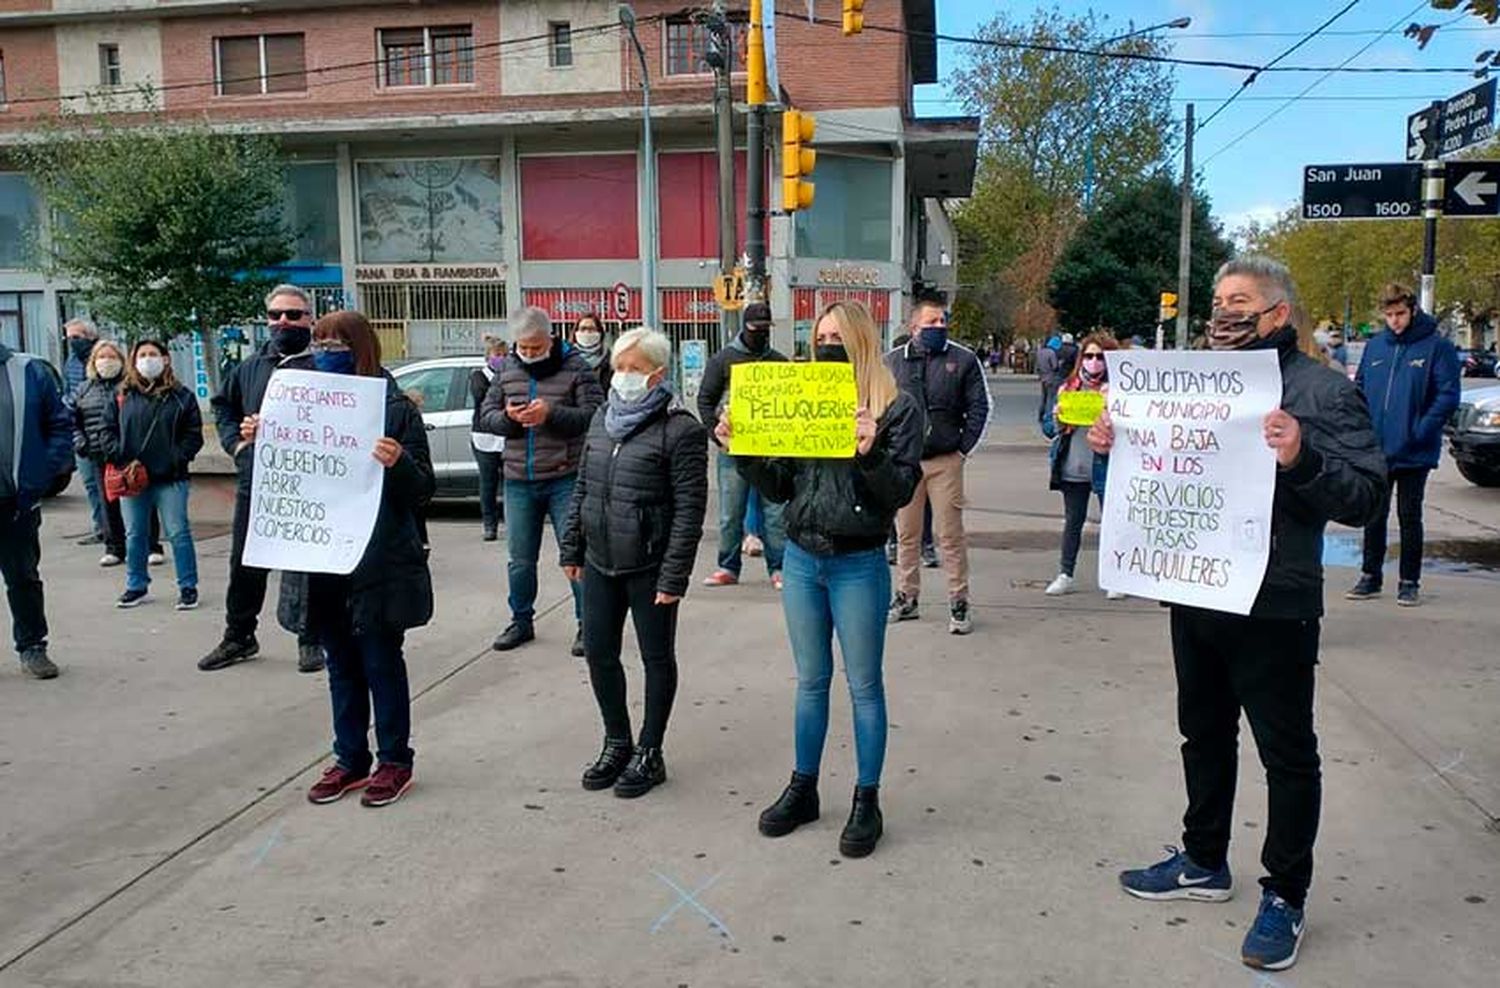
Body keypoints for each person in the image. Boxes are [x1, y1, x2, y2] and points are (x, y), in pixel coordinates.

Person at [1097, 257, 1385, 972]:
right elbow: (1164, 464)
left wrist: (1301, 455)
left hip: (1274, 602)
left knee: (1287, 755)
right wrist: (1116, 440)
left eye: (1241, 302)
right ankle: (1203, 858)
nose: (1225, 313)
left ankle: (1285, 892)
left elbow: (1366, 497)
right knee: (1203, 733)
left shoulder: (1320, 391)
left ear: (1278, 315)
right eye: (1220, 301)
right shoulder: (1188, 383)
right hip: (1196, 590)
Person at [721, 300, 922, 859]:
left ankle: (866, 800)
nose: (826, 343)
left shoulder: (896, 408)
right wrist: (745, 449)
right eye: (819, 335)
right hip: (804, 559)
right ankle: (803, 787)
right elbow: (782, 484)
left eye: (836, 335)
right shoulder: (803, 399)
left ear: (858, 340)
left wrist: (867, 452)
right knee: (810, 682)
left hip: (858, 561)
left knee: (863, 686)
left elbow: (899, 493)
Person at [261, 311, 434, 808]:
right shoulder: (299, 405)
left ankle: (395, 760)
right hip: (321, 560)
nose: (325, 351)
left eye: (337, 343)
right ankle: (350, 758)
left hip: (377, 562)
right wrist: (260, 439)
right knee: (340, 666)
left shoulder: (396, 409)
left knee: (381, 663)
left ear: (360, 348)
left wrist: (397, 461)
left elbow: (423, 489)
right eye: (319, 342)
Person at [560, 327, 707, 798]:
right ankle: (617, 741)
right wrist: (572, 546)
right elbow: (585, 485)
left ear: (657, 375)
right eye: (618, 367)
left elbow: (689, 509)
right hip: (601, 561)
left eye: (633, 369)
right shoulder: (603, 417)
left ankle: (650, 750)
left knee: (656, 658)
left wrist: (675, 575)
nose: (622, 376)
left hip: (650, 567)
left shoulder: (680, 429)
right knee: (600, 654)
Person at [201, 285, 324, 673]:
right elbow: (222, 406)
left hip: (310, 485)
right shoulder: (252, 366)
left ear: (310, 320)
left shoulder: (325, 365)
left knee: (308, 566)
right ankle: (239, 635)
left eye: (292, 315)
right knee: (246, 562)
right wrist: (237, 444)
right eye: (275, 316)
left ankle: (311, 638)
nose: (283, 322)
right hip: (258, 481)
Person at [478, 306, 605, 656]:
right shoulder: (506, 370)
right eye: (524, 347)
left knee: (575, 555)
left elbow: (596, 415)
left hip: (566, 477)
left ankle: (587, 625)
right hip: (519, 477)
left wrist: (551, 414)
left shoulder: (577, 367)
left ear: (550, 338)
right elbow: (485, 416)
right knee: (520, 558)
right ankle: (521, 620)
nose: (530, 354)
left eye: (536, 347)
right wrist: (508, 418)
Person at [1347, 283, 1461, 607]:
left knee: (1409, 515)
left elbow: (1447, 395)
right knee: (1374, 513)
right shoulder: (1375, 347)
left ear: (1412, 310)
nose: (1395, 320)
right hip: (1377, 449)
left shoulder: (1437, 347)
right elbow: (1359, 390)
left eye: (1400, 313)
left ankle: (1409, 581)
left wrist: (1421, 430)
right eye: (1389, 314)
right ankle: (1370, 575)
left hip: (1414, 449)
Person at [886, 295, 991, 634]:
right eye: (931, 322)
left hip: (945, 460)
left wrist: (963, 449)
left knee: (950, 535)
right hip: (906, 461)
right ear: (914, 327)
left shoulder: (963, 360)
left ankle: (959, 601)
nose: (939, 327)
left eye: (942, 321)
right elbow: (880, 407)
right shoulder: (892, 363)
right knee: (907, 534)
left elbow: (980, 407)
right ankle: (906, 597)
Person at [103, 340, 203, 610]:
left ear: (166, 359)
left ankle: (188, 586)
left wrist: (175, 459)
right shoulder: (122, 394)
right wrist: (120, 456)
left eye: (153, 354)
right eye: (142, 355)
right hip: (132, 478)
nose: (148, 360)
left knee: (178, 533)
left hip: (170, 478)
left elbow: (193, 436)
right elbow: (106, 430)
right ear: (134, 361)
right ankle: (136, 585)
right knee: (135, 534)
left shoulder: (182, 396)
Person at [696, 302, 789, 589]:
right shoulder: (722, 360)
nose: (760, 334)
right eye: (755, 329)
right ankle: (728, 566)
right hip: (733, 449)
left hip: (771, 448)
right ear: (744, 328)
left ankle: (778, 567)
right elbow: (705, 400)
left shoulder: (779, 362)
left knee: (775, 512)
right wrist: (716, 435)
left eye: (765, 330)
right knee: (730, 513)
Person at [0, 339, 72, 679]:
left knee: (23, 577)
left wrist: (42, 473)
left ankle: (32, 646)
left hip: (14, 502)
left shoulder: (28, 370)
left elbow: (59, 423)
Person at [1043, 332, 1124, 599]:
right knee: (1073, 522)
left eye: (1100, 357)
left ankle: (1115, 578)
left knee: (1112, 524)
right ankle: (1065, 573)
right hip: (1073, 466)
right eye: (1088, 356)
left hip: (1107, 467)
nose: (1094, 362)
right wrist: (1057, 418)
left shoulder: (1120, 391)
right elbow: (1047, 427)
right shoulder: (1068, 389)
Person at [72, 340, 164, 568]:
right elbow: (72, 420)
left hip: (130, 453)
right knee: (108, 502)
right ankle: (114, 547)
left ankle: (152, 546)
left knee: (142, 498)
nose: (106, 362)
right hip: (98, 453)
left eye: (111, 357)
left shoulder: (129, 386)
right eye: (101, 357)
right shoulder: (84, 389)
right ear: (93, 362)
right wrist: (80, 442)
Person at [62, 318, 105, 546]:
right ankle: (101, 528)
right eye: (68, 338)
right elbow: (68, 392)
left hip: (103, 432)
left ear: (90, 337)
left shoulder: (104, 358)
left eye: (76, 338)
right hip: (80, 432)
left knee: (109, 484)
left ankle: (116, 529)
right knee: (90, 483)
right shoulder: (71, 362)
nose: (72, 343)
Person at [470, 336, 508, 542]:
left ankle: (512, 521)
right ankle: (489, 525)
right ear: (488, 357)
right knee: (488, 483)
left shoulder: (512, 375)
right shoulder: (478, 376)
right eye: (497, 355)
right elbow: (482, 398)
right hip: (484, 437)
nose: (501, 359)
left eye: (504, 355)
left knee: (511, 482)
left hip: (506, 434)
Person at [571, 312, 612, 394]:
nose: (587, 332)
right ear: (576, 332)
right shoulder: (567, 358)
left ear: (600, 333)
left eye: (591, 329)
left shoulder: (610, 360)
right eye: (583, 329)